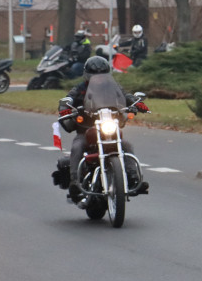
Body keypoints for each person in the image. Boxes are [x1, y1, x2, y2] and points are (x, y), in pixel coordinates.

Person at [58, 55, 149, 207]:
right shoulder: (81, 88)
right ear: (87, 75)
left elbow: (124, 96)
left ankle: (132, 177)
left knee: (126, 145)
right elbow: (68, 99)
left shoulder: (114, 87)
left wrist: (134, 102)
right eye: (95, 75)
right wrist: (67, 107)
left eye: (102, 74)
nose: (98, 78)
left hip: (109, 128)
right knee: (77, 146)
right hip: (86, 130)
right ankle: (75, 181)